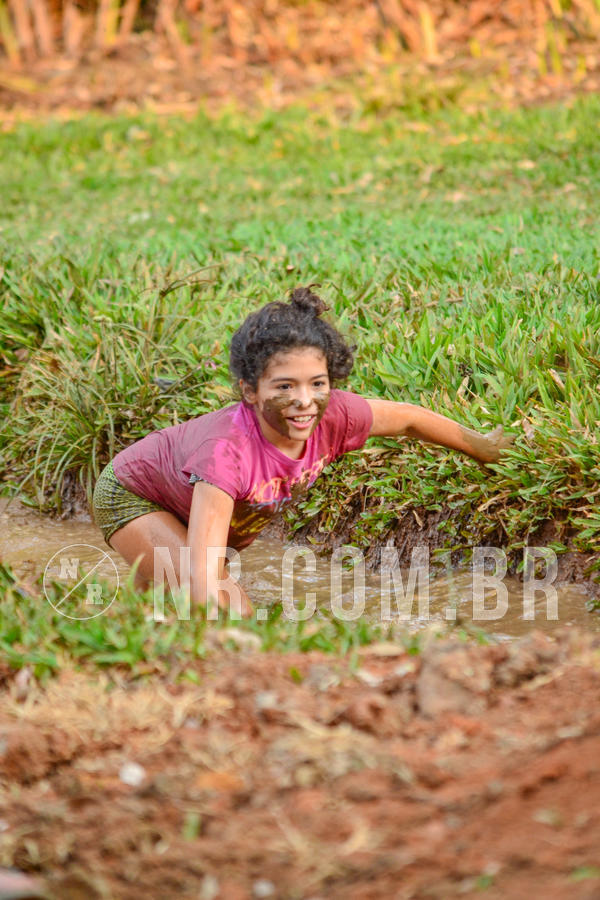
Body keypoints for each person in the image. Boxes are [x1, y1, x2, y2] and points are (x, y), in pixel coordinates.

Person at [92, 285, 512, 617]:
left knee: (159, 610)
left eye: (317, 382)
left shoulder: (335, 415)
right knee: (230, 610)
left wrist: (485, 449)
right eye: (284, 386)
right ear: (250, 392)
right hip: (134, 494)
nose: (304, 400)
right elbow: (206, 583)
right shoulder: (227, 453)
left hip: (186, 494)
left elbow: (407, 419)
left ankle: (119, 627)